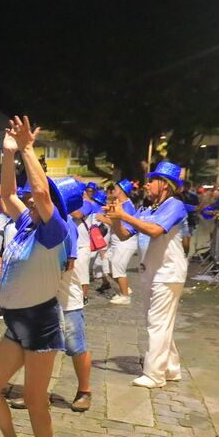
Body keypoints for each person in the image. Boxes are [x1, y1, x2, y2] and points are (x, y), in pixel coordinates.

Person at [0, 116, 82, 437]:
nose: (35, 196)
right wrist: (7, 155)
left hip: (39, 323)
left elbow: (38, 194)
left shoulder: (57, 230)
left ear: (55, 203)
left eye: (46, 195)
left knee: (36, 400)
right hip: (16, 322)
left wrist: (26, 149)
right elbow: (7, 196)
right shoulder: (27, 223)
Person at [106, 161, 189, 389]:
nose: (147, 184)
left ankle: (154, 375)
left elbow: (154, 231)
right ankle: (171, 369)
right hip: (151, 272)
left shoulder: (175, 205)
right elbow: (124, 235)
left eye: (152, 180)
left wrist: (125, 215)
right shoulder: (146, 209)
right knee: (159, 323)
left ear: (164, 184)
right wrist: (115, 218)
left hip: (168, 272)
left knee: (157, 323)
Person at [57, 206, 93, 412]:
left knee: (75, 346)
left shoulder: (66, 223)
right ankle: (35, 391)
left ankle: (84, 390)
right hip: (43, 298)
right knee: (39, 348)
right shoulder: (34, 221)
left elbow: (66, 263)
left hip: (66, 299)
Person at [104, 179, 139, 305]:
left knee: (118, 267)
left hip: (125, 242)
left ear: (121, 191)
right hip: (115, 242)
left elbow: (122, 227)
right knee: (106, 266)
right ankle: (125, 288)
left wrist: (104, 218)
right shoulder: (119, 204)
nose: (113, 190)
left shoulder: (127, 206)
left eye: (116, 188)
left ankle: (125, 296)